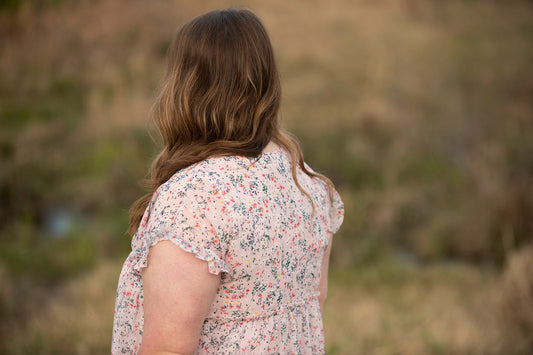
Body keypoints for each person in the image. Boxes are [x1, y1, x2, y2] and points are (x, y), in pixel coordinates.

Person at [112, 8, 344, 355]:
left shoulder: (195, 200)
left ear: (185, 86)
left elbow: (168, 348)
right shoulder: (305, 180)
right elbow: (315, 298)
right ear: (267, 81)